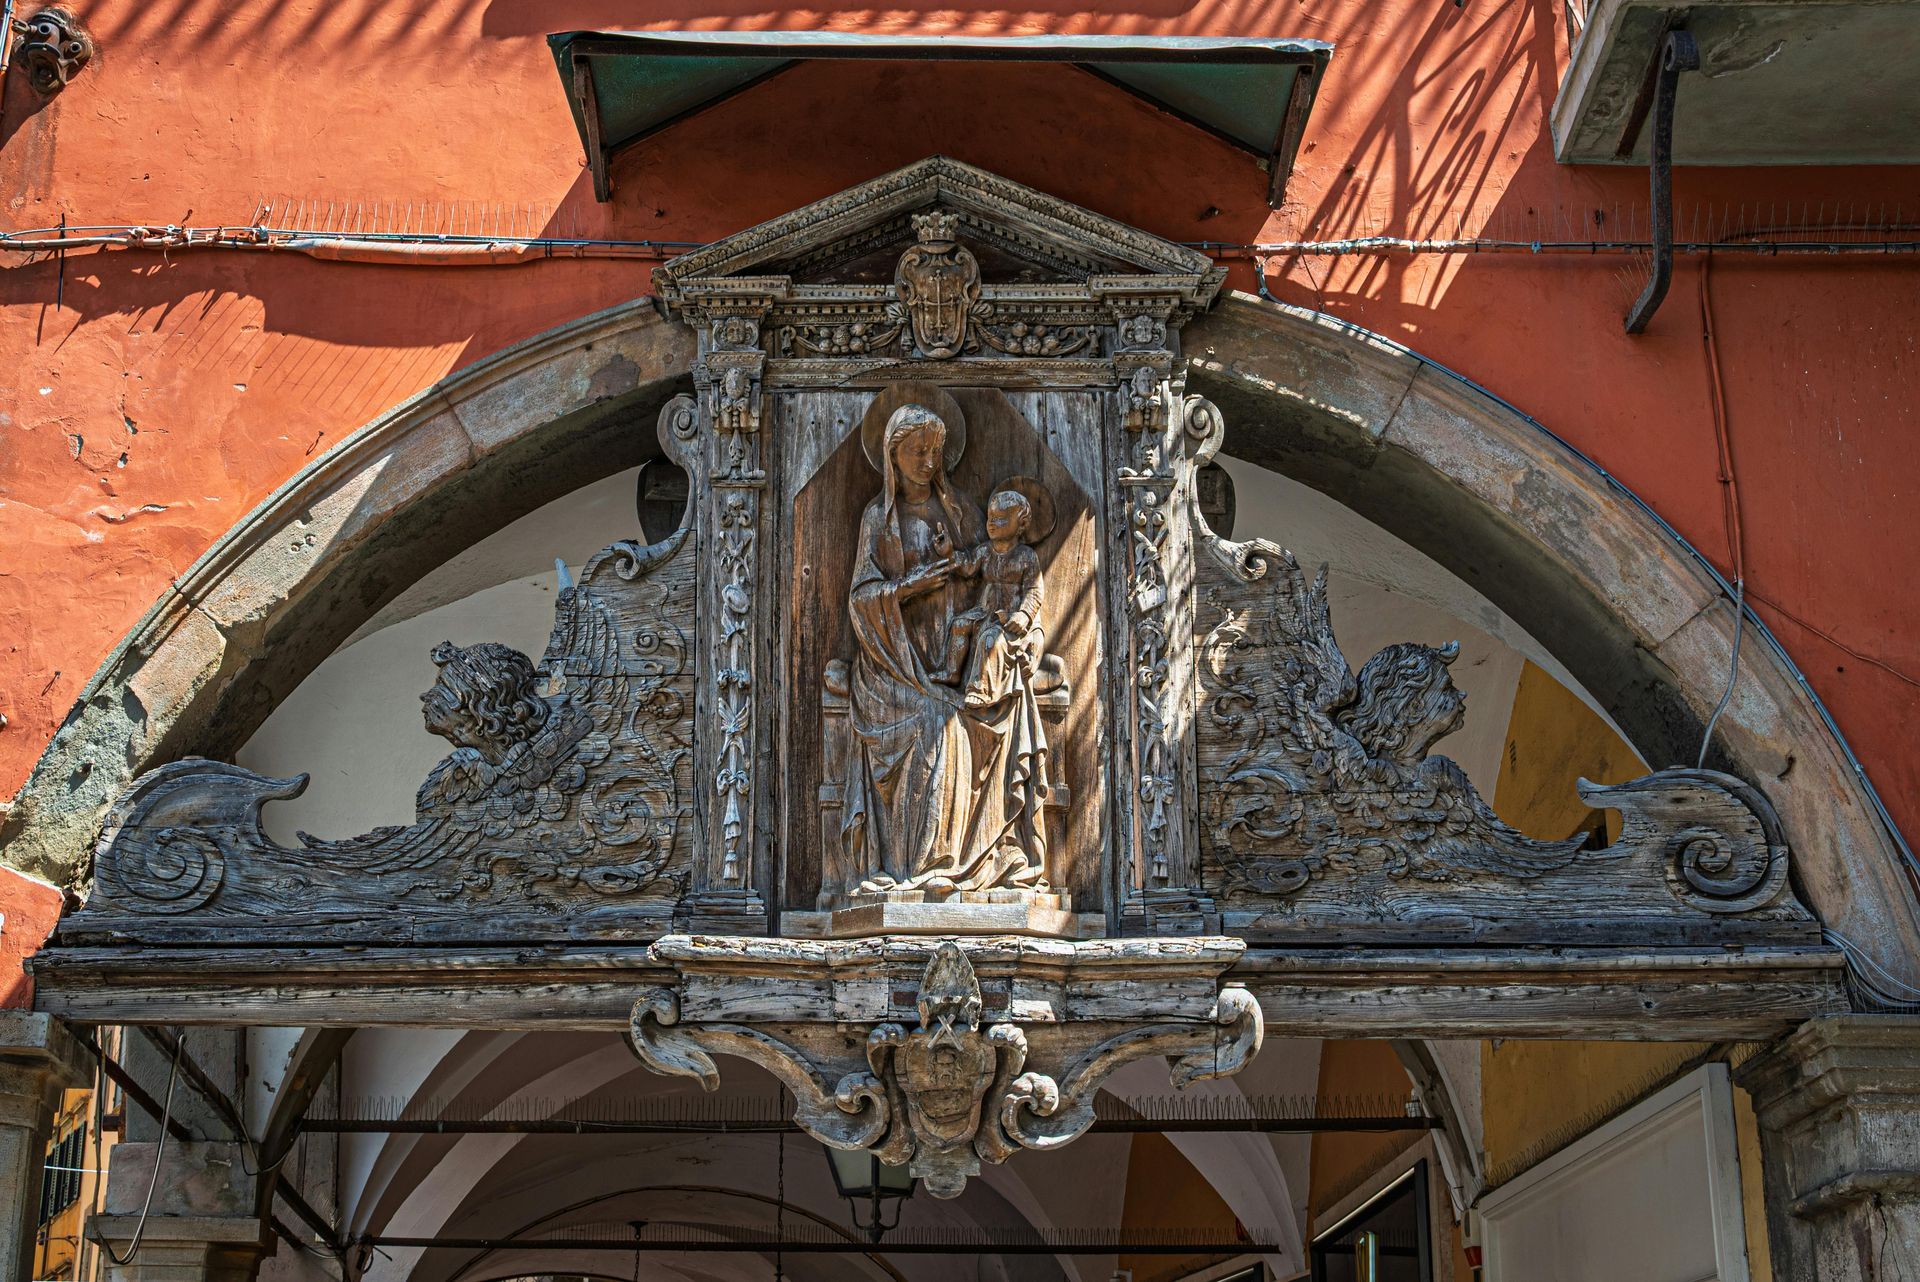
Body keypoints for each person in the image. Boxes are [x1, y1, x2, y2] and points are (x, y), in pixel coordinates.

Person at [841, 404, 1049, 897]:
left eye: (934, 451)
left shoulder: (963, 514)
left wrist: (1014, 631)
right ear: (892, 455)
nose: (928, 461)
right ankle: (922, 865)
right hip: (892, 667)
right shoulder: (878, 519)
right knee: (938, 721)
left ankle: (966, 859)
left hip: (962, 663)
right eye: (917, 451)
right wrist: (908, 587)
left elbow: (995, 579)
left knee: (958, 713)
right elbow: (860, 599)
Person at [941, 489, 1045, 711]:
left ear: (1021, 523)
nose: (991, 524)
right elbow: (968, 567)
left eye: (1000, 519)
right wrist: (949, 554)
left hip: (1009, 618)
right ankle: (952, 673)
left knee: (990, 640)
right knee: (959, 625)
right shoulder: (985, 551)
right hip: (984, 611)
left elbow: (1034, 590)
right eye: (990, 517)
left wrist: (1024, 614)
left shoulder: (1026, 556)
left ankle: (980, 690)